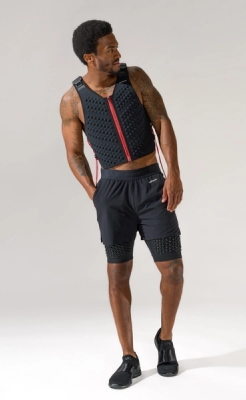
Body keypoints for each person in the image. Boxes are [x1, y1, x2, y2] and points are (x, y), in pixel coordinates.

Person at [60, 20, 184, 389]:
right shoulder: (72, 100)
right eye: (110, 49)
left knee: (173, 270)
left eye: (116, 46)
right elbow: (74, 152)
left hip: (152, 186)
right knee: (117, 275)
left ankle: (165, 339)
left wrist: (173, 173)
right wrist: (93, 192)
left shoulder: (136, 78)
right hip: (112, 194)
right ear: (90, 57)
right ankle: (129, 357)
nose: (118, 53)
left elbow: (161, 121)